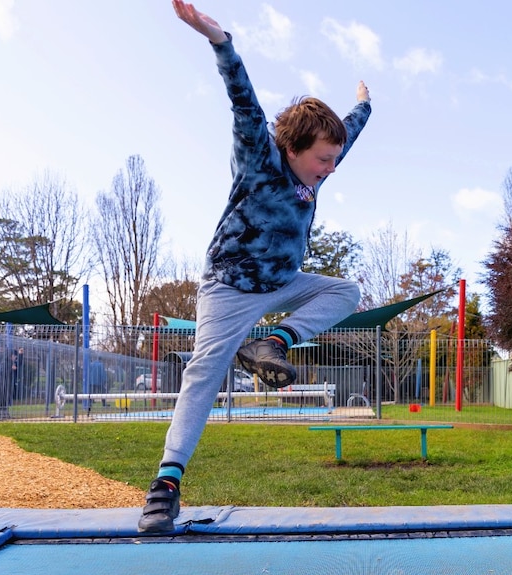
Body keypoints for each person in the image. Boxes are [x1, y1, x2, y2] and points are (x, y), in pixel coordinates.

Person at [138, 0, 372, 533]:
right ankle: (165, 485)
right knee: (203, 373)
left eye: (333, 161)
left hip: (283, 283)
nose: (328, 171)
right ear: (290, 148)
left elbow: (348, 134)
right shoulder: (260, 155)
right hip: (230, 287)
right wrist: (221, 42)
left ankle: (274, 343)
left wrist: (364, 103)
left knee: (346, 291)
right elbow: (243, 102)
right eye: (321, 160)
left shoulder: (318, 166)